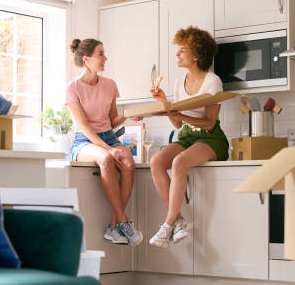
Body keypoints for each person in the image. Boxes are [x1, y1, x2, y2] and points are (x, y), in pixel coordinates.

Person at [149, 26, 229, 248]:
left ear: (196, 54)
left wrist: (180, 114)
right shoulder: (178, 82)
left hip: (210, 138)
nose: (177, 54)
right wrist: (164, 102)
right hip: (185, 136)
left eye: (182, 50)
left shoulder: (213, 81)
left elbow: (209, 123)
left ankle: (167, 224)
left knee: (179, 162)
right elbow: (177, 123)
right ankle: (180, 221)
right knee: (156, 161)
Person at [65, 38, 143, 246]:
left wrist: (129, 114)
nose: (105, 58)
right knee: (107, 158)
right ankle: (123, 221)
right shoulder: (72, 88)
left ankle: (114, 226)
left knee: (128, 163)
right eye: (100, 54)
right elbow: (84, 127)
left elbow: (112, 119)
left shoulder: (110, 85)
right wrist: (109, 149)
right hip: (84, 141)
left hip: (108, 135)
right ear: (86, 59)